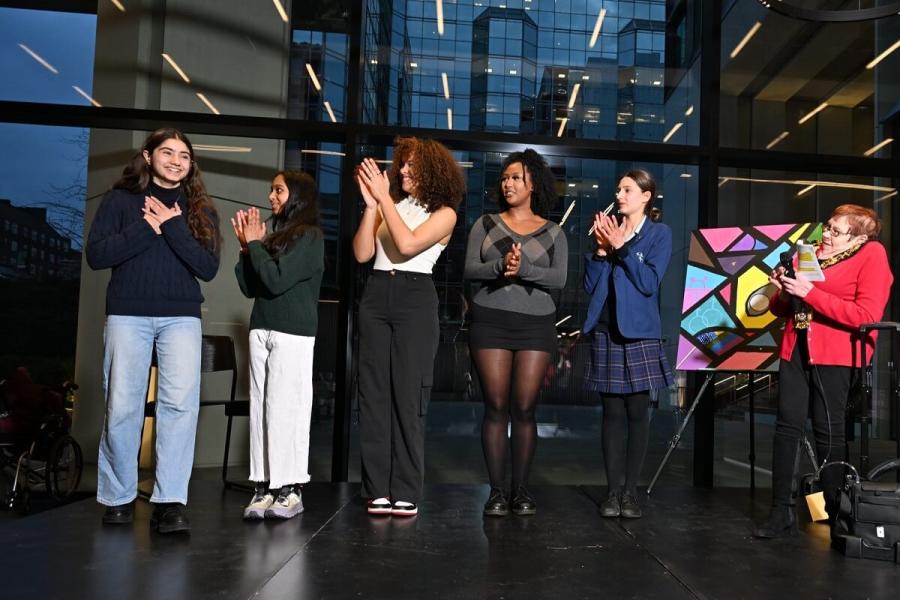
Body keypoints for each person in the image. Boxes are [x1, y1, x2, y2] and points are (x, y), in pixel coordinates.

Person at [86, 127, 221, 533]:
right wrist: (148, 226)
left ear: (191, 164)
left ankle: (170, 501)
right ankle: (118, 498)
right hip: (128, 313)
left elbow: (208, 268)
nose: (177, 160)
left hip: (181, 316)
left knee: (179, 407)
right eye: (168, 152)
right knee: (123, 407)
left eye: (184, 155)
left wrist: (172, 226)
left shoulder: (200, 209)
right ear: (148, 156)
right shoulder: (120, 200)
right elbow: (96, 255)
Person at [753, 204, 893, 538]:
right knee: (786, 427)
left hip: (836, 353)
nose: (826, 234)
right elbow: (780, 308)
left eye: (834, 230)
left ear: (858, 237)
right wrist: (783, 288)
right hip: (795, 347)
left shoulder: (872, 255)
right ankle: (780, 511)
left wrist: (810, 292)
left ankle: (836, 510)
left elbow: (866, 314)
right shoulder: (811, 254)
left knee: (828, 432)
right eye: (826, 227)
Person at [353, 137, 466, 517]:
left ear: (432, 170)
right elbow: (363, 254)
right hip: (376, 292)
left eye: (411, 165)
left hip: (415, 297)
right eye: (402, 164)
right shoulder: (388, 206)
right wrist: (372, 207)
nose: (401, 171)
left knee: (407, 394)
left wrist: (383, 199)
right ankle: (377, 488)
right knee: (373, 394)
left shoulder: (445, 213)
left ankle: (404, 488)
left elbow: (407, 243)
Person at [463, 149, 567, 517]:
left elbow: (559, 279)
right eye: (504, 178)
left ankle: (520, 490)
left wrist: (524, 269)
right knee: (496, 408)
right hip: (489, 321)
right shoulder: (486, 223)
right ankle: (495, 492)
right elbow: (470, 269)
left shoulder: (554, 231)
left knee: (524, 409)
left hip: (536, 326)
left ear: (532, 183)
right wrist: (499, 267)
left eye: (515, 178)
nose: (508, 183)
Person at [232, 171, 324, 520]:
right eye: (271, 189)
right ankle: (264, 485)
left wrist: (255, 245)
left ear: (297, 195)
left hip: (293, 332)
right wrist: (246, 247)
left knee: (288, 409)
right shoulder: (273, 236)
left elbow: (277, 278)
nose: (271, 196)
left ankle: (290, 489)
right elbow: (249, 286)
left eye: (279, 190)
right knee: (261, 409)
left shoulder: (310, 237)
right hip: (262, 329)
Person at [582, 169, 672, 520]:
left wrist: (622, 247)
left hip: (639, 333)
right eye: (618, 189)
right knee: (612, 414)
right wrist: (602, 252)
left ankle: (631, 493)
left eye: (627, 189)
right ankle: (612, 491)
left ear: (646, 196)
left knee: (637, 413)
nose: (619, 194)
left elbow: (649, 281)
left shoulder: (658, 234)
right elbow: (591, 284)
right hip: (606, 329)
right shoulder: (606, 231)